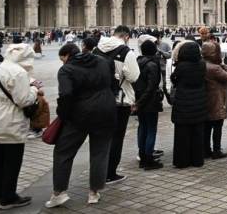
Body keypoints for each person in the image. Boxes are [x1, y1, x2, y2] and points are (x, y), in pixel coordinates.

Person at [45, 43, 115, 208]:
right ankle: (94, 192)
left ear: (67, 55)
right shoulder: (102, 61)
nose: (63, 63)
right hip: (106, 111)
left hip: (79, 115)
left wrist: (63, 115)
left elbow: (66, 95)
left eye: (63, 59)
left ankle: (59, 192)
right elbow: (112, 83)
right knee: (100, 153)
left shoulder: (66, 70)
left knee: (63, 152)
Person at [0, 43, 38, 210]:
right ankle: (8, 198)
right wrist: (34, 89)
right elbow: (23, 100)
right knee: (12, 161)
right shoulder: (19, 72)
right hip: (10, 120)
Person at [94, 25, 140, 184]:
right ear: (127, 36)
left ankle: (97, 172)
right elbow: (133, 77)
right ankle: (110, 173)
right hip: (119, 100)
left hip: (98, 98)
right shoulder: (126, 52)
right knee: (116, 137)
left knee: (101, 137)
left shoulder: (97, 49)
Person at [170, 41, 207, 168]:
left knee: (182, 134)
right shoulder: (202, 64)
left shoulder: (181, 66)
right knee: (197, 133)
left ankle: (182, 161)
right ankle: (197, 160)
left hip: (183, 103)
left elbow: (174, 79)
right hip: (199, 102)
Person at [135, 39, 164, 170]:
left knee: (142, 128)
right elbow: (152, 86)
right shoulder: (152, 65)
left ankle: (142, 155)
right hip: (149, 101)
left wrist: (138, 102)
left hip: (140, 100)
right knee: (151, 129)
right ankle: (148, 158)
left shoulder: (137, 62)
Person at [202, 42, 227, 159]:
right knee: (217, 127)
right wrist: (225, 66)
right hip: (217, 100)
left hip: (206, 99)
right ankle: (216, 150)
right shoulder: (215, 68)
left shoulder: (202, 64)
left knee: (207, 127)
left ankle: (206, 149)